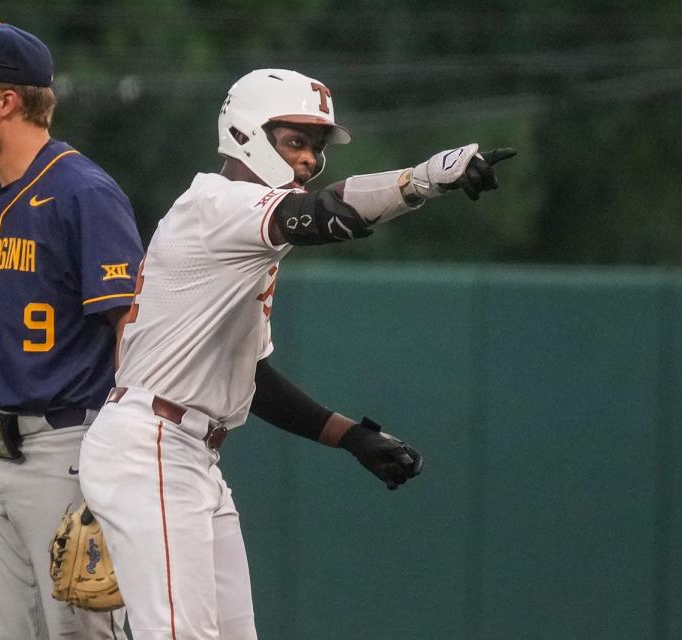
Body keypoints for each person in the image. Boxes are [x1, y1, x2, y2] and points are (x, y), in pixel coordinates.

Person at [78, 68, 515, 639]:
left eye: (314, 147)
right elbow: (333, 213)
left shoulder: (242, 237)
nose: (309, 159)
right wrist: (423, 179)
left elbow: (250, 378)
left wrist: (349, 436)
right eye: (295, 141)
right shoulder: (221, 204)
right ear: (243, 134)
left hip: (186, 452)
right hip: (152, 445)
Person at [0, 22, 143, 640]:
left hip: (67, 449)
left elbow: (134, 331)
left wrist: (117, 464)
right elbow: (0, 341)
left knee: (79, 631)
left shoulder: (83, 193)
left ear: (7, 100)